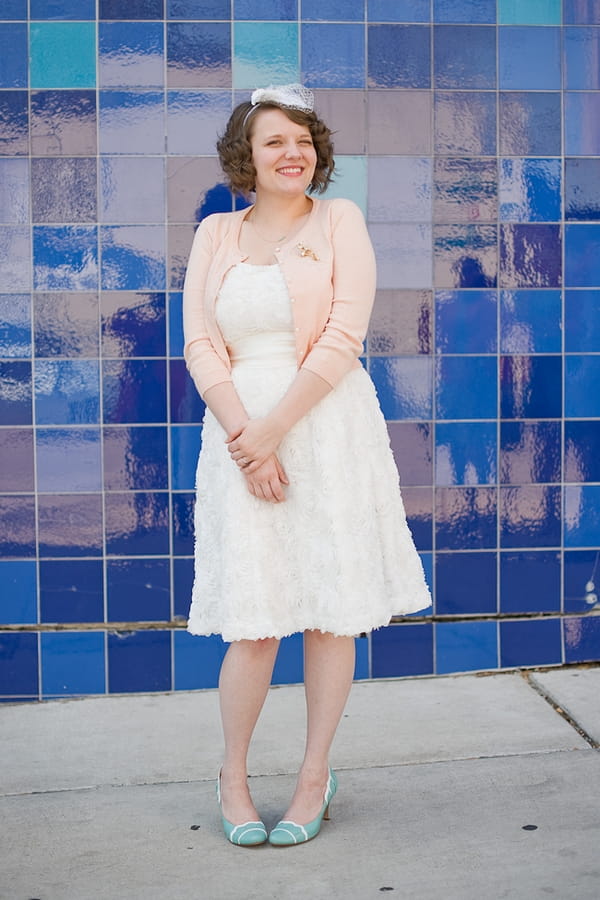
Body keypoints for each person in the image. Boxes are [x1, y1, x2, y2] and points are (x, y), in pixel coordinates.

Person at [182, 84, 431, 848]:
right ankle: (233, 777)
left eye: (303, 140)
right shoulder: (217, 234)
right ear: (246, 158)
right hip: (237, 433)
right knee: (253, 624)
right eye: (273, 142)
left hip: (326, 429)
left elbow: (344, 335)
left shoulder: (339, 221)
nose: (292, 153)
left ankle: (314, 776)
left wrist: (275, 433)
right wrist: (245, 438)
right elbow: (200, 343)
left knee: (329, 612)